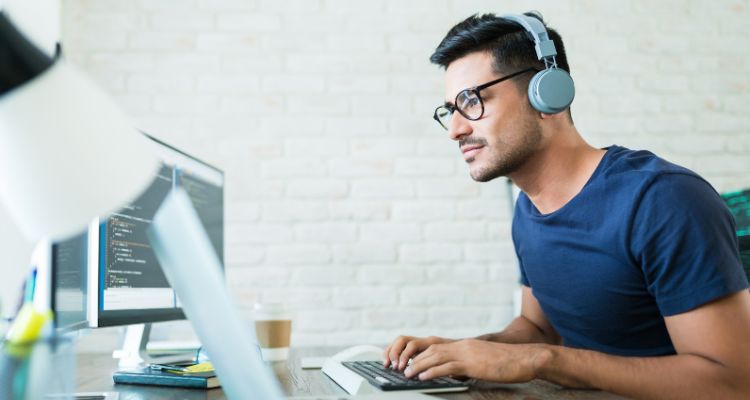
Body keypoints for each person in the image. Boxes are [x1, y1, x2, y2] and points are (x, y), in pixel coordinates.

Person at [384, 12, 750, 399]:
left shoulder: (663, 200)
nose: (456, 129)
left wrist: (544, 361)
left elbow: (732, 382)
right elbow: (539, 329)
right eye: (450, 111)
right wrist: (458, 351)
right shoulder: (528, 208)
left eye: (472, 101)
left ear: (548, 94)